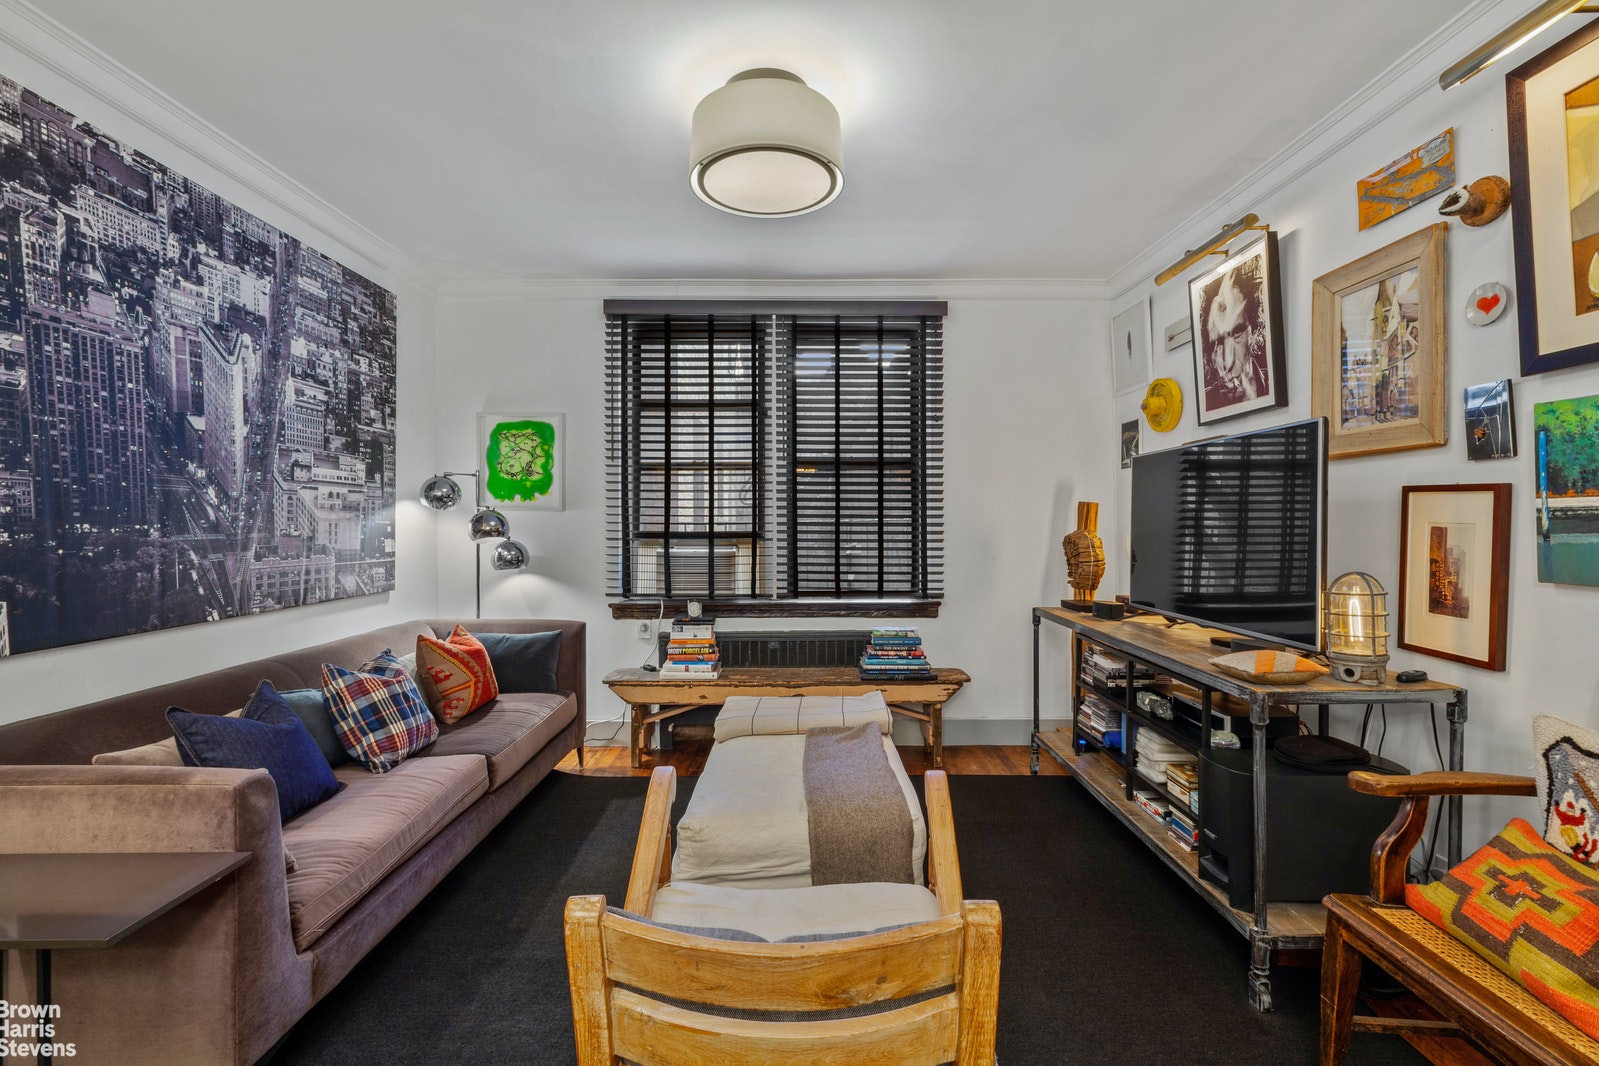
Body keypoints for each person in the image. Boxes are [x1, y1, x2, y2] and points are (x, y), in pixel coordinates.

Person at [1198, 257, 1269, 410]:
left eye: (1237, 334)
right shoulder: (1205, 402)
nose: (1228, 362)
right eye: (1218, 343)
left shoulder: (1274, 384)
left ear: (1253, 333)